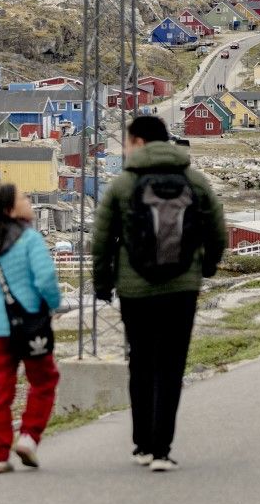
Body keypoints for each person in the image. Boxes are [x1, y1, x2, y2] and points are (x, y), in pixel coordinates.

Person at [92, 116, 226, 472]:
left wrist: (103, 283)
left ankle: (142, 445)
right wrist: (206, 267)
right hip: (182, 287)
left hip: (135, 290)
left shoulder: (123, 184)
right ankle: (163, 449)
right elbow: (218, 231)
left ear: (137, 142)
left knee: (141, 362)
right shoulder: (195, 181)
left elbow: (102, 239)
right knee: (171, 364)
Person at [0, 184, 62, 474]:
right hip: (31, 325)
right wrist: (50, 305)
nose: (29, 200)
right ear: (10, 209)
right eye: (23, 198)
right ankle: (29, 437)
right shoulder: (30, 239)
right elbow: (45, 279)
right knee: (44, 381)